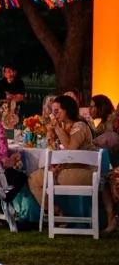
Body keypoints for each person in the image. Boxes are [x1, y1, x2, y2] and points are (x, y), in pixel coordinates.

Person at [28, 94, 116, 230]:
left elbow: (70, 149)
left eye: (57, 111)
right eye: (52, 111)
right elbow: (53, 148)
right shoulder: (65, 126)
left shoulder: (79, 126)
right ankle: (58, 213)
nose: (54, 114)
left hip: (86, 173)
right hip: (70, 169)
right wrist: (51, 133)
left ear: (67, 110)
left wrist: (56, 128)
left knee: (36, 178)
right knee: (35, 178)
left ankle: (58, 214)